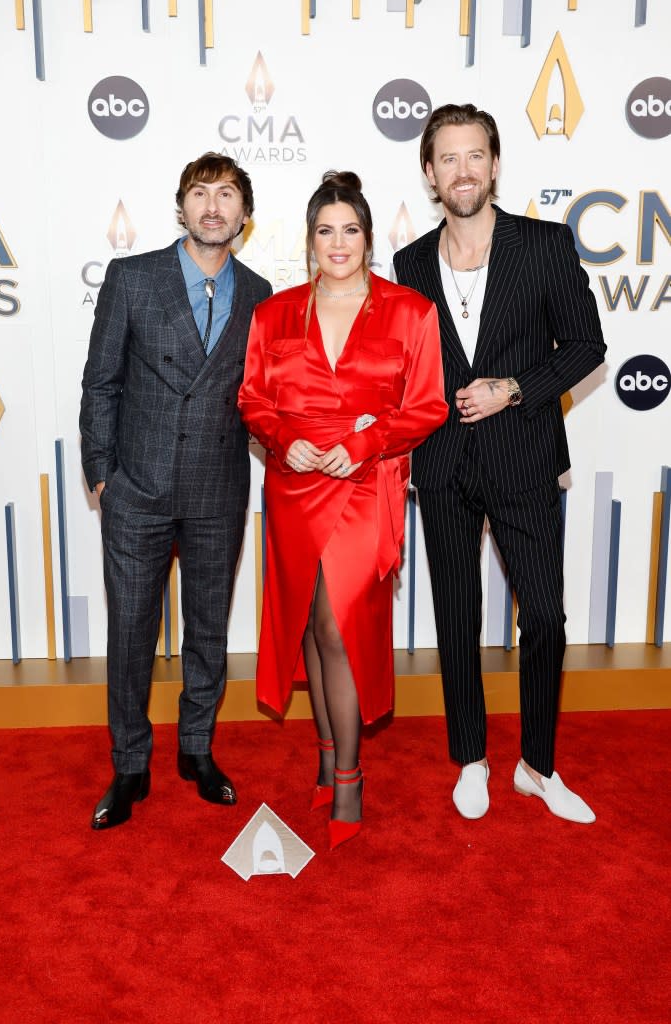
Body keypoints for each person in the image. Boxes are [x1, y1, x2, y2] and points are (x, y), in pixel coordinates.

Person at [394, 104, 606, 824]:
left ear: (494, 163)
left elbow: (585, 347)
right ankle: (472, 759)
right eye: (447, 158)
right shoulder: (409, 263)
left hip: (523, 459)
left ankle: (537, 767)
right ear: (429, 172)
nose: (462, 171)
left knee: (543, 617)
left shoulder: (542, 245)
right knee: (457, 618)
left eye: (475, 155)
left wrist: (514, 388)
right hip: (444, 463)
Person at [238, 171, 448, 849]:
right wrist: (282, 440)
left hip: (366, 486)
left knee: (337, 627)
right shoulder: (274, 313)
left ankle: (349, 778)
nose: (338, 243)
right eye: (324, 230)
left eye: (350, 230)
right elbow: (251, 399)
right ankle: (327, 751)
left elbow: (427, 406)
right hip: (295, 487)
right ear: (308, 240)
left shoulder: (410, 312)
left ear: (368, 237)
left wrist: (362, 443)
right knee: (305, 620)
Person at [80, 153, 272, 830]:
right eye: (200, 193)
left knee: (209, 632)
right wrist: (102, 472)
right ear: (180, 206)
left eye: (226, 195)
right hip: (137, 489)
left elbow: (264, 398)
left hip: (218, 488)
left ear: (244, 215)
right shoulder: (133, 279)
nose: (213, 206)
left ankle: (197, 750)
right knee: (132, 632)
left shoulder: (260, 293)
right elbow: (100, 381)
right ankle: (129, 762)